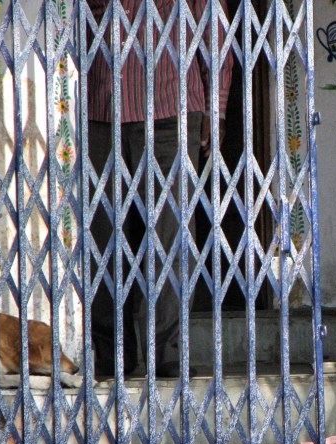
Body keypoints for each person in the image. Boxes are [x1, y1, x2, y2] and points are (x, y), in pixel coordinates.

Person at [86, 0, 233, 377]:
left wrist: (214, 110)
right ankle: (109, 350)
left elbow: (213, 30)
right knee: (103, 234)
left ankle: (167, 350)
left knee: (170, 232)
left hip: (172, 108)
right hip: (101, 110)